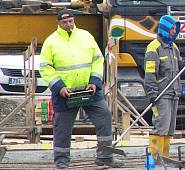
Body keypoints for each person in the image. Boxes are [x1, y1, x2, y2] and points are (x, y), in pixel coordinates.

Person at [40, 10, 123, 169]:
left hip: (89, 90)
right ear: (58, 23)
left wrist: (94, 81)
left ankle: (105, 156)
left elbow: (98, 60)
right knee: (62, 129)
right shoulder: (51, 42)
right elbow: (45, 68)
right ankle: (62, 163)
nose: (68, 25)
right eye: (65, 22)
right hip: (66, 93)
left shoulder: (85, 36)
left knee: (104, 116)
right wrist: (59, 87)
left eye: (70, 21)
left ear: (74, 20)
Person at [144, 15, 182, 160]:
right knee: (161, 126)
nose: (174, 31)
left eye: (175, 28)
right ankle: (153, 159)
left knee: (169, 129)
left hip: (174, 93)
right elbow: (150, 73)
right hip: (161, 94)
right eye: (172, 28)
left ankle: (164, 158)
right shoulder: (153, 48)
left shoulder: (174, 47)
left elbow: (180, 66)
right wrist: (152, 93)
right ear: (165, 28)